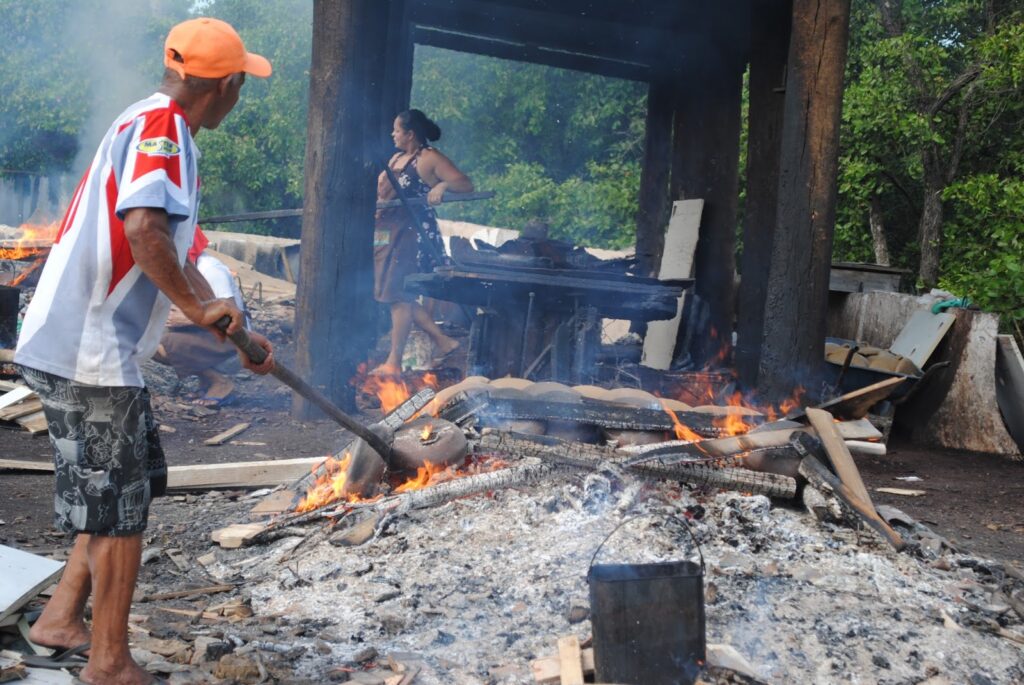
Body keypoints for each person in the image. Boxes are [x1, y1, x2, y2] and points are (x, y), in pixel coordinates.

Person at [14, 18, 274, 685]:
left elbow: (160, 242)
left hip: (89, 344)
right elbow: (144, 226)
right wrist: (197, 307)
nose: (241, 94)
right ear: (222, 86)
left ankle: (61, 617)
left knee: (132, 484)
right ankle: (108, 662)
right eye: (241, 82)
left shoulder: (147, 117)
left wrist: (232, 327)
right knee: (121, 509)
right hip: (88, 347)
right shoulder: (167, 130)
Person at [371, 109, 473, 376]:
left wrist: (442, 187)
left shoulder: (428, 159)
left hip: (411, 234)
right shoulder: (396, 157)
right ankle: (443, 340)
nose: (392, 134)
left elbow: (466, 183)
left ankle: (394, 362)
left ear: (410, 134)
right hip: (386, 232)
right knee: (392, 292)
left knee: (399, 295)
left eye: (396, 129)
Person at [153, 227, 246, 406]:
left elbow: (233, 317)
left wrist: (188, 318)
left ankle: (221, 383)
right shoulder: (183, 271)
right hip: (208, 333)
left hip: (234, 340)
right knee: (149, 339)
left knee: (163, 343)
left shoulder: (211, 269)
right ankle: (207, 382)